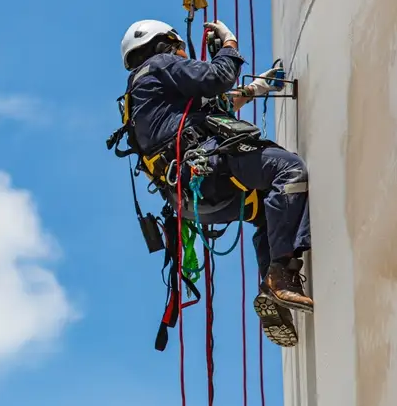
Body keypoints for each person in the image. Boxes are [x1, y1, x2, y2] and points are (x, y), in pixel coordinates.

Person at [119, 18, 312, 348]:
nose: (183, 54)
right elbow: (217, 78)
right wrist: (229, 45)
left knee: (271, 212)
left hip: (190, 200)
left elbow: (211, 108)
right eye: (180, 47)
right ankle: (280, 273)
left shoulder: (141, 97)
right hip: (207, 168)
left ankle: (273, 290)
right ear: (162, 43)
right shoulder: (161, 64)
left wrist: (257, 88)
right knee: (288, 172)